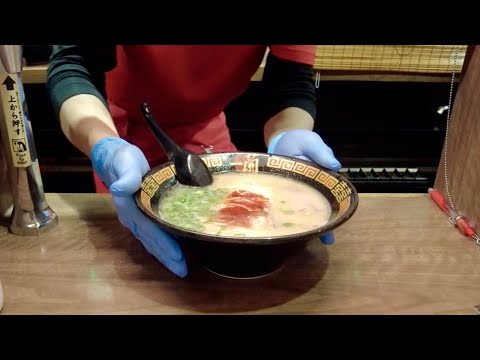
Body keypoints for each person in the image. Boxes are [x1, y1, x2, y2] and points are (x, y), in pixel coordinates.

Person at [46, 45, 342, 278]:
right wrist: (104, 146)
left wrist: (288, 138)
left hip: (205, 129)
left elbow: (290, 85)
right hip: (119, 132)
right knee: (132, 266)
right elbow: (74, 64)